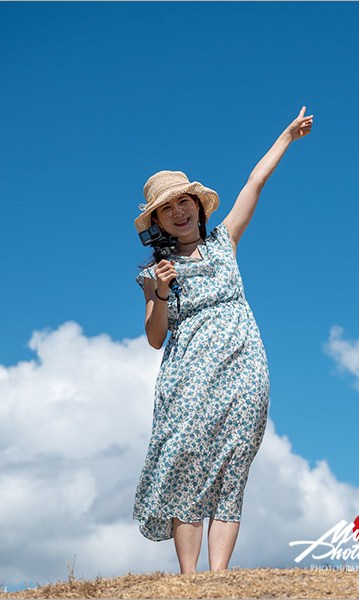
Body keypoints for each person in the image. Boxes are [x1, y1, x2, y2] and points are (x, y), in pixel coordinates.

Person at [131, 107, 314, 573]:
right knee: (187, 458)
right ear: (158, 221)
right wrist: (162, 291)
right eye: (167, 209)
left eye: (184, 202)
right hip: (189, 372)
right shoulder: (154, 273)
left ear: (198, 205)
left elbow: (254, 183)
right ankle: (189, 582)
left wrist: (286, 137)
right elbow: (154, 338)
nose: (178, 212)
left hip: (244, 361)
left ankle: (219, 580)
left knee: (235, 458)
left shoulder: (224, 242)